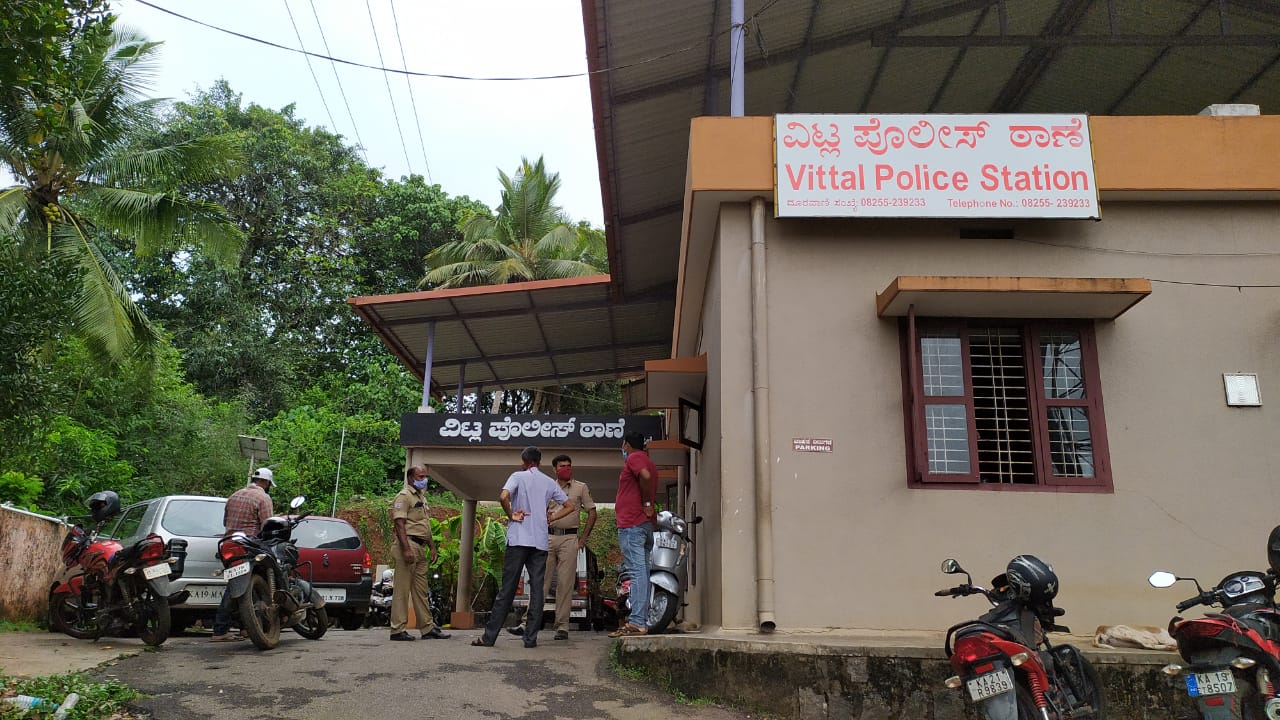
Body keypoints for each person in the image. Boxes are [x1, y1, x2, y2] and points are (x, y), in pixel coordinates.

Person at [472, 446, 574, 648]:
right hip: (540, 542)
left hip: (519, 539)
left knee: (507, 589)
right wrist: (552, 517)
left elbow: (503, 496)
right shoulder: (549, 482)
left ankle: (489, 637)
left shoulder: (517, 476)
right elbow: (570, 506)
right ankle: (530, 639)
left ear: (523, 461)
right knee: (537, 591)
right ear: (539, 462)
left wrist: (511, 514)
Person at [508, 453, 598, 640]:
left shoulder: (580, 487)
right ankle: (527, 623)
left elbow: (592, 512)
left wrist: (583, 539)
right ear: (555, 469)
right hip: (546, 537)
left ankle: (562, 626)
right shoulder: (547, 485)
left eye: (569, 465)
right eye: (562, 466)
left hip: (569, 538)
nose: (566, 469)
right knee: (539, 581)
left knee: (565, 584)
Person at [212, 467, 275, 642]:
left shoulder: (234, 495)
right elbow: (268, 525)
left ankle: (240, 628)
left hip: (229, 545)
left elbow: (225, 522)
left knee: (235, 584)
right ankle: (227, 629)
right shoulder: (263, 498)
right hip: (250, 545)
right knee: (269, 572)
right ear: (266, 482)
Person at [389, 465, 451, 641]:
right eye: (420, 477)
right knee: (402, 590)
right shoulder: (404, 496)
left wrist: (432, 547)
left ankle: (427, 627)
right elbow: (399, 524)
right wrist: (406, 549)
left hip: (421, 547)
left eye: (425, 476)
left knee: (421, 590)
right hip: (408, 545)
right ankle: (397, 629)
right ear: (410, 478)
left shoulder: (421, 497)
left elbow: (425, 524)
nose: (424, 480)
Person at [609, 431, 657, 638]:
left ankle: (637, 622)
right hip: (643, 524)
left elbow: (644, 476)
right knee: (642, 573)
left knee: (636, 573)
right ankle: (640, 621)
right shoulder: (648, 460)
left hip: (632, 524)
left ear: (626, 445)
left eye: (623, 445)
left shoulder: (634, 458)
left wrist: (645, 503)